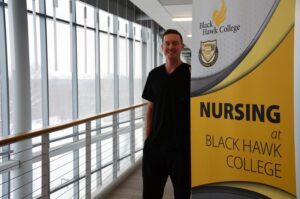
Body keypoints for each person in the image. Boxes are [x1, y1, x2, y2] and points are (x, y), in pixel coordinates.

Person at [142, 29, 191, 199]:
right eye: (167, 43)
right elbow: (150, 107)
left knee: (182, 194)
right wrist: (147, 137)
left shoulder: (191, 74)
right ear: (162, 47)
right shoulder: (154, 75)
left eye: (175, 43)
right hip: (155, 147)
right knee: (151, 193)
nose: (171, 47)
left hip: (182, 148)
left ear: (181, 46)